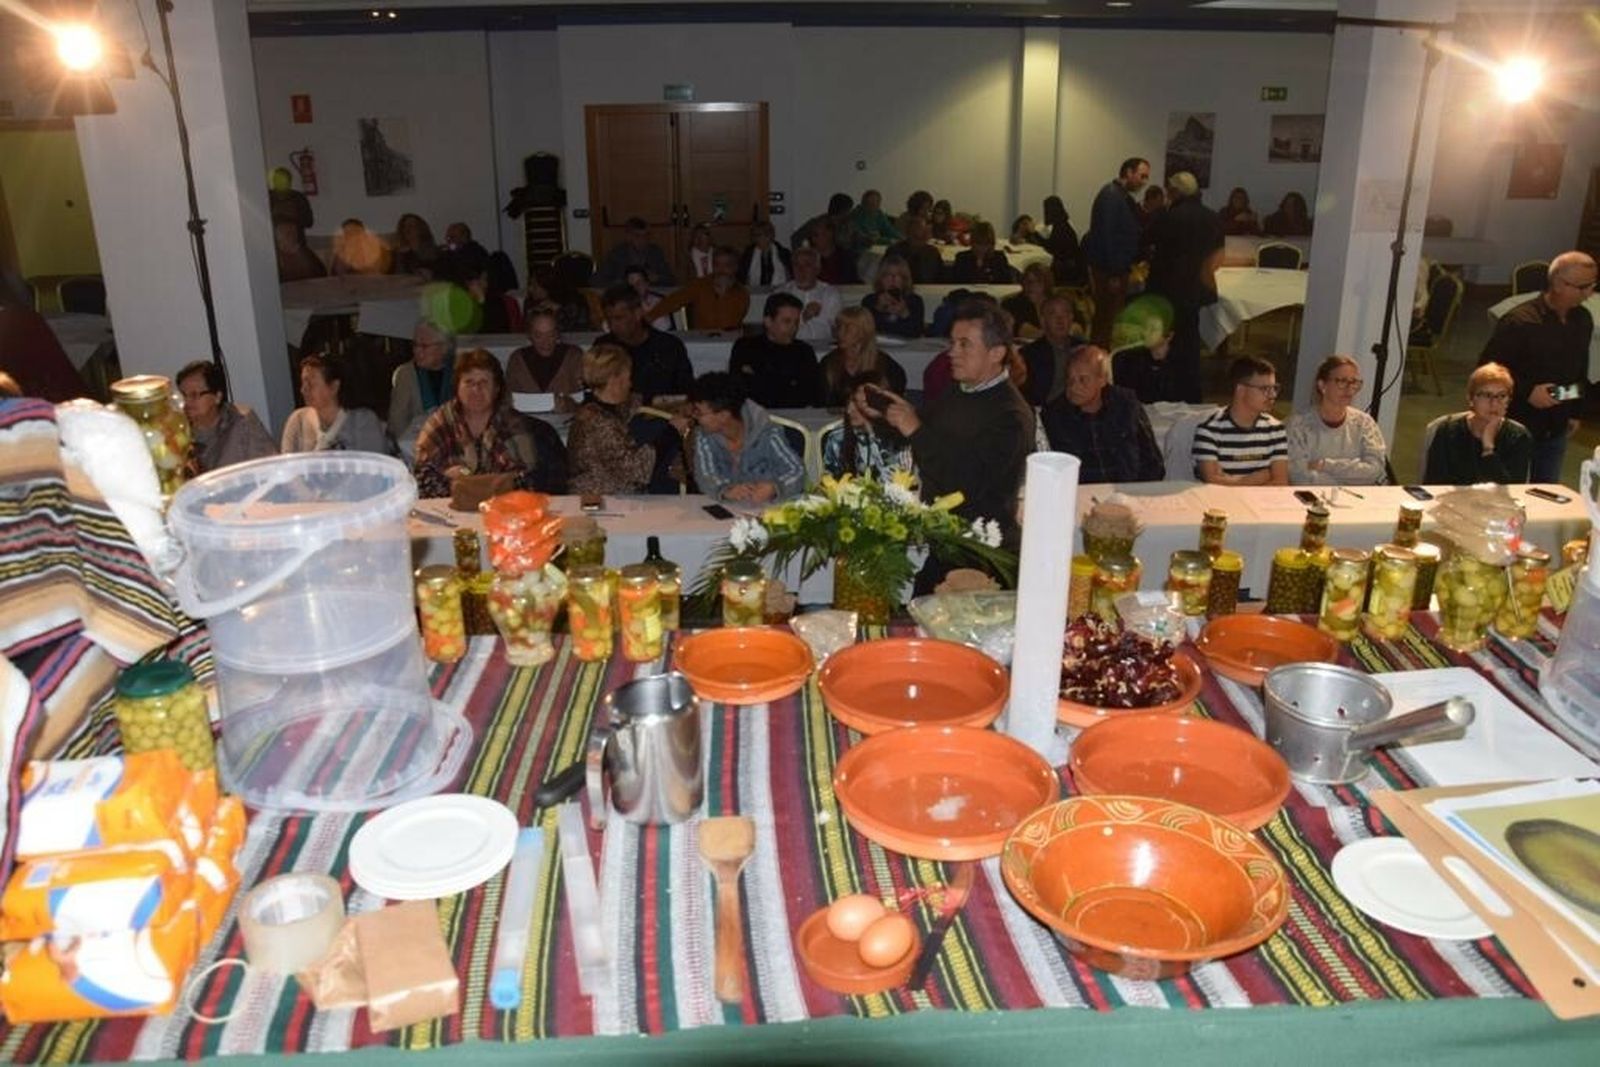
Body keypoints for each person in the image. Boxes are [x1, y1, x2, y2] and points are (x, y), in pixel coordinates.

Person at [877, 302, 1034, 590]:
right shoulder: (959, 391)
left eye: (965, 345)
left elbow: (967, 480)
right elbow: (924, 431)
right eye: (952, 343)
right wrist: (880, 417)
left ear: (996, 353)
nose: (952, 352)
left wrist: (915, 427)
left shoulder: (1011, 416)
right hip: (948, 545)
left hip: (984, 556)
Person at [1477, 250, 1596, 483]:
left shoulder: (1582, 319)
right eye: (1582, 287)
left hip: (1556, 426)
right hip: (1518, 422)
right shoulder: (1520, 321)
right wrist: (1528, 391)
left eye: (1592, 285)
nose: (1589, 294)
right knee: (1506, 492)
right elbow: (1487, 369)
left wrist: (1574, 411)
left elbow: (1579, 369)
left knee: (1546, 492)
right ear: (1558, 284)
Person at [413, 349, 560, 498]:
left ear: (496, 389)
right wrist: (484, 482)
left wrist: (464, 476)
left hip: (504, 510)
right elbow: (422, 482)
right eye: (469, 382)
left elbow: (525, 483)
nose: (476, 389)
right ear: (457, 387)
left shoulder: (512, 424)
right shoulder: (441, 423)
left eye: (484, 382)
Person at [1145, 170, 1223, 403]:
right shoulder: (1212, 217)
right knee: (1190, 340)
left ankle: (1168, 388)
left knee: (1166, 339)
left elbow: (1147, 242)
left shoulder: (1168, 217)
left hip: (1167, 288)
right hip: (1196, 288)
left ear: (1175, 191)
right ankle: (1191, 390)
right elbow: (1218, 254)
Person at [567, 343, 681, 495]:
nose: (630, 383)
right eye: (627, 377)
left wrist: (682, 404)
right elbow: (635, 470)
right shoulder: (596, 422)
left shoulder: (613, 406)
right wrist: (672, 431)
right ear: (615, 380)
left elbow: (644, 401)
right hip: (601, 500)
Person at [1041, 345, 1164, 483]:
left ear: (1102, 380)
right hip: (1082, 494)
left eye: (1083, 379)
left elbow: (1152, 461)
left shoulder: (1126, 404)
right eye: (1070, 380)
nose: (1074, 387)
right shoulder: (1055, 415)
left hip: (1128, 490)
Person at [687, 372, 806, 502]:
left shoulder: (768, 433)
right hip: (729, 508)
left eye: (699, 412)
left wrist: (774, 488)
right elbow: (705, 475)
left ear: (723, 415)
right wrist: (725, 491)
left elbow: (797, 471)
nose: (694, 416)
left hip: (769, 509)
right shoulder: (704, 436)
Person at [1423, 362, 1533, 485]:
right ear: (1470, 398)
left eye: (1502, 396)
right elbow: (1434, 485)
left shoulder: (1518, 436)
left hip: (1497, 504)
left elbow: (1513, 490)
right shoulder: (1447, 430)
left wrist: (1488, 450)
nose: (1494, 403)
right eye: (1486, 395)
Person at [1286, 356, 1388, 485]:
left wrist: (1325, 465)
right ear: (1322, 385)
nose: (1349, 388)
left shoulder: (1364, 423)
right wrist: (1348, 483)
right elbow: (1299, 477)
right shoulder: (1298, 425)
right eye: (1342, 381)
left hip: (1359, 501)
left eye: (1354, 382)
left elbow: (1375, 470)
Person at [1083, 157, 1150, 345]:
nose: (1144, 182)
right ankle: (1099, 361)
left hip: (1115, 267)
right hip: (1110, 270)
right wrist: (1113, 272)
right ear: (1128, 172)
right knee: (1107, 319)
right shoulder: (1111, 196)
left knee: (1108, 318)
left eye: (1146, 178)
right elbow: (1107, 235)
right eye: (1142, 176)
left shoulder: (1119, 196)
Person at [1193, 356, 1289, 485]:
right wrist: (1256, 478)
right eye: (1265, 389)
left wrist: (1231, 481)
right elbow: (1213, 483)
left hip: (1260, 504)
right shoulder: (1209, 430)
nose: (1273, 395)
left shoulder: (1276, 428)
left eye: (1274, 388)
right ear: (1240, 389)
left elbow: (1280, 482)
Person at [597, 286, 695, 404]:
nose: (612, 325)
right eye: (609, 319)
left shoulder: (668, 346)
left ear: (638, 314)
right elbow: (596, 390)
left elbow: (686, 390)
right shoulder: (604, 347)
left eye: (619, 318)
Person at [176, 360, 277, 474]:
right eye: (183, 395)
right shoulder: (176, 432)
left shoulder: (241, 422)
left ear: (217, 397)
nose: (187, 402)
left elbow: (271, 468)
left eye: (194, 395)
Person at [282, 353, 391, 454]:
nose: (303, 390)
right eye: (303, 383)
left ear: (334, 386)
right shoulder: (297, 420)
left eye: (310, 384)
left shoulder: (363, 421)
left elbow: (372, 465)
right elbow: (287, 464)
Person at [728, 292, 821, 409]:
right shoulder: (745, 347)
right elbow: (738, 389)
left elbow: (809, 393)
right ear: (768, 321)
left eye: (796, 322)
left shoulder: (804, 351)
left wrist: (762, 380)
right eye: (787, 321)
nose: (793, 328)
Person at [822, 372, 915, 480]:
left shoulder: (901, 438)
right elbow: (830, 483)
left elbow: (899, 484)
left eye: (857, 403)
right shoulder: (837, 438)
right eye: (848, 402)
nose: (849, 410)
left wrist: (871, 431)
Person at [820, 307, 908, 407]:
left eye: (847, 328)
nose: (840, 333)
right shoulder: (829, 363)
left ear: (863, 332)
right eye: (839, 327)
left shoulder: (886, 366)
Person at [649, 246, 750, 331]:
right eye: (717, 265)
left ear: (735, 267)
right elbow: (674, 300)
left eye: (727, 265)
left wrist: (723, 295)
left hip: (729, 341)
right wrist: (648, 317)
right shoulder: (700, 285)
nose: (721, 270)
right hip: (700, 338)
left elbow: (728, 324)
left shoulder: (741, 293)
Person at [389, 320, 456, 446]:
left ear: (444, 347)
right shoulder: (405, 374)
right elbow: (397, 422)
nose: (417, 351)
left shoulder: (459, 371)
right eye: (415, 345)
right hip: (416, 447)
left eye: (424, 346)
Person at [506, 309, 585, 410]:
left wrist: (571, 405)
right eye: (538, 336)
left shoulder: (574, 357)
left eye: (551, 335)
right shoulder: (517, 359)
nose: (545, 342)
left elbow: (586, 399)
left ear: (557, 333)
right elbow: (508, 400)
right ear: (529, 335)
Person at [1109, 294, 1180, 404]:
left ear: (1169, 335)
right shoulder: (1125, 359)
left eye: (1153, 330)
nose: (1145, 333)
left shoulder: (1181, 361)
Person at [1019, 295, 1085, 407]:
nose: (1060, 320)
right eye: (1053, 314)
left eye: (1065, 313)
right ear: (1042, 320)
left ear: (1071, 318)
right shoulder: (1029, 354)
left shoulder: (1085, 350)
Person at [777, 246, 842, 346]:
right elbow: (777, 331)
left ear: (817, 269)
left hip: (824, 349)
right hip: (790, 348)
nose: (801, 270)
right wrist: (803, 318)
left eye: (807, 265)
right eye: (796, 265)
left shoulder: (830, 293)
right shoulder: (781, 294)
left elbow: (837, 331)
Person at [595, 216, 677, 287]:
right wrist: (623, 282)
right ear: (628, 236)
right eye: (637, 236)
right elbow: (597, 281)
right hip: (624, 296)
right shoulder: (617, 254)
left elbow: (671, 280)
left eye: (646, 236)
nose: (642, 240)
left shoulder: (655, 252)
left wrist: (657, 278)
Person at [862, 256, 924, 339]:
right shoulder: (869, 300)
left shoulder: (915, 301)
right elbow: (865, 331)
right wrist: (878, 309)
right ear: (881, 279)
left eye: (898, 275)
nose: (892, 279)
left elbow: (916, 333)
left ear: (904, 280)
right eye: (888, 275)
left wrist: (904, 313)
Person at [885, 215, 946, 286]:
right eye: (920, 229)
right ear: (908, 231)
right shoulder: (895, 251)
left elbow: (941, 279)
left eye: (926, 229)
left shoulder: (933, 253)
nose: (925, 232)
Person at [951, 222, 1018, 285]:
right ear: (972, 243)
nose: (981, 248)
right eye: (978, 243)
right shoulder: (962, 258)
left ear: (991, 244)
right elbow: (957, 283)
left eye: (986, 244)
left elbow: (1006, 284)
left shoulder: (999, 258)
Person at [1041, 195, 1087, 287]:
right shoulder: (1064, 224)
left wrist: (1034, 234)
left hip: (1065, 271)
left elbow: (1052, 248)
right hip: (1070, 268)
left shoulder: (1060, 228)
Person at [1003, 263, 1055, 340]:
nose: (1031, 285)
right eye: (1027, 281)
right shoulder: (1012, 304)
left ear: (1046, 284)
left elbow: (1076, 327)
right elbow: (1021, 329)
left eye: (1037, 281)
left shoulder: (1059, 303)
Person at [738, 221, 792, 288]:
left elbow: (790, 274)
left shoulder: (783, 253)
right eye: (755, 235)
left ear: (770, 236)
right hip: (755, 291)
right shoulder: (748, 254)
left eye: (760, 235)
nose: (757, 239)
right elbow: (742, 276)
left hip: (780, 289)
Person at [624, 264, 673, 331]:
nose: (635, 287)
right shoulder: (619, 303)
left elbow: (664, 327)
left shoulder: (658, 301)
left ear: (647, 284)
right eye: (631, 285)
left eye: (639, 283)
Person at [268, 167, 313, 236]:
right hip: (273, 241)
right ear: (273, 181)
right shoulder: (267, 197)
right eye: (278, 180)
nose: (281, 183)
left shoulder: (298, 197)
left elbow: (309, 222)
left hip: (296, 241)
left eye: (284, 180)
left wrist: (290, 217)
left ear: (290, 181)